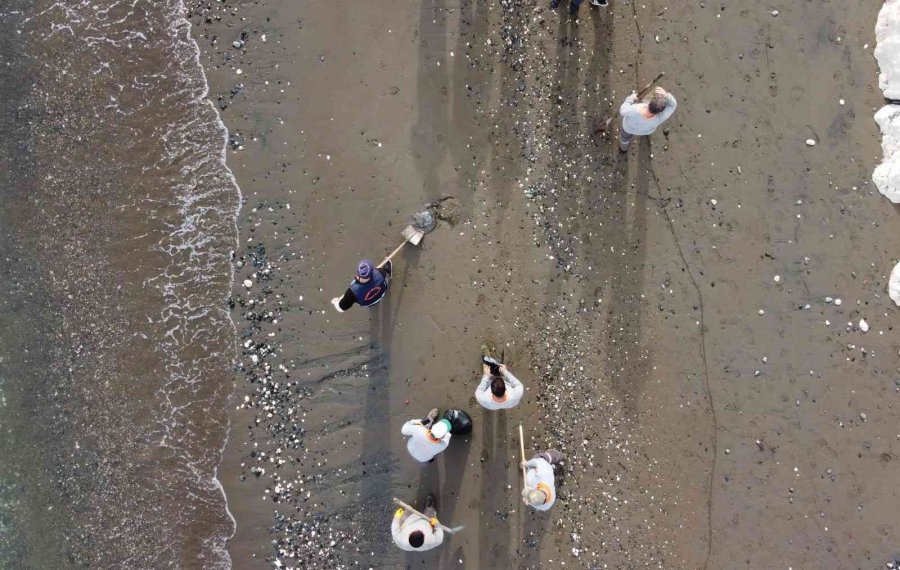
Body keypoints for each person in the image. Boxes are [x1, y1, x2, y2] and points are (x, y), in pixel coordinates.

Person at [618, 86, 677, 152]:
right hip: (645, 131)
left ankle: (623, 149)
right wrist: (666, 96)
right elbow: (672, 105)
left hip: (628, 129)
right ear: (660, 111)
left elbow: (622, 111)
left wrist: (630, 98)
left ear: (648, 103)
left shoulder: (634, 109)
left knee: (624, 138)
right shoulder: (660, 117)